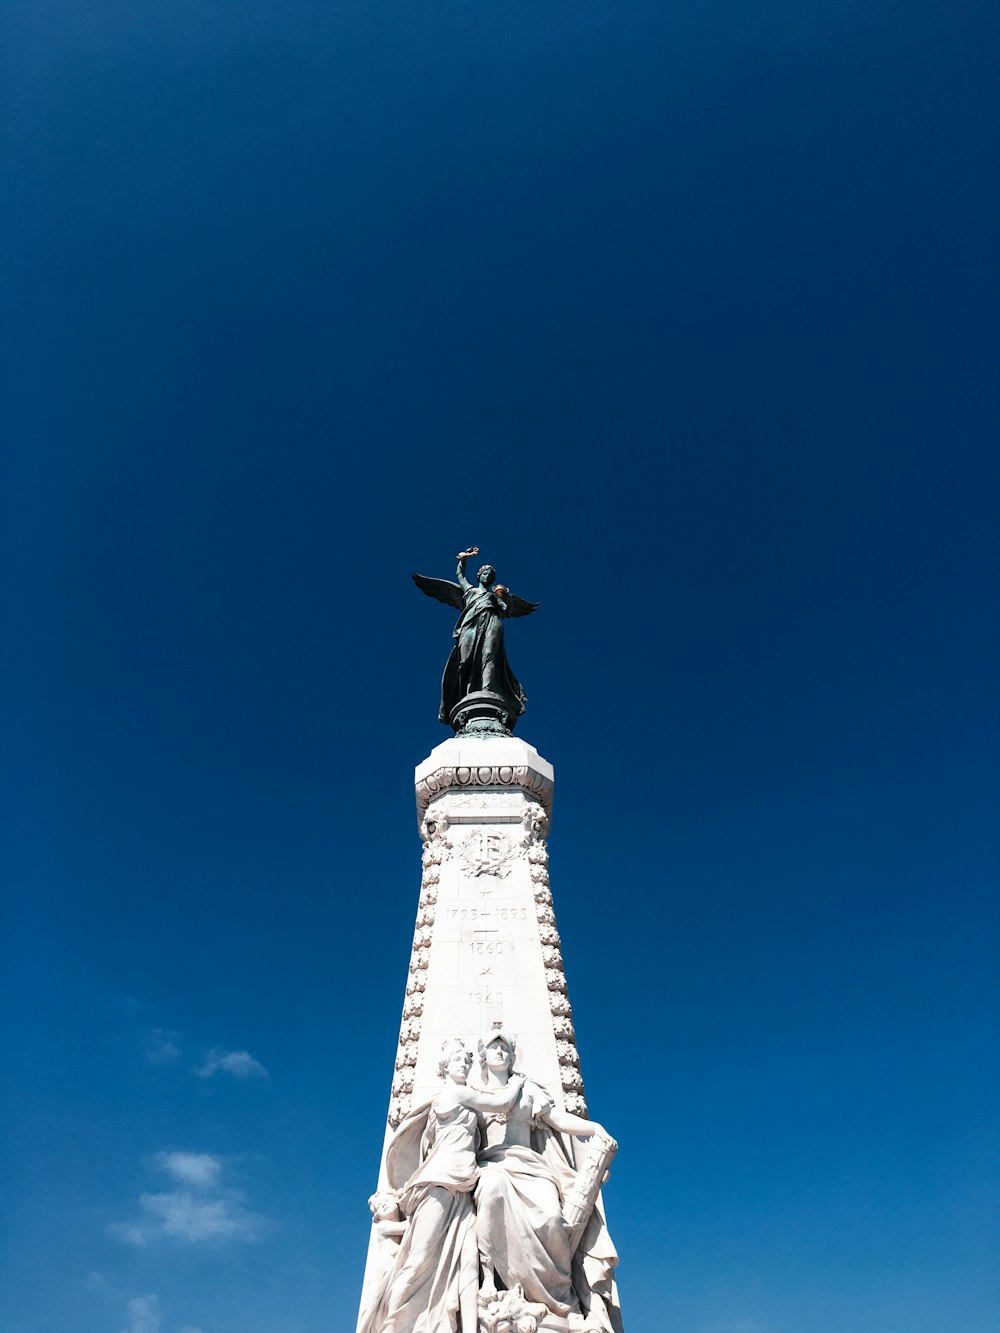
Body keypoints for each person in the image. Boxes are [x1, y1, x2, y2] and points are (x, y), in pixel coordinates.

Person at [359, 1040, 525, 1333]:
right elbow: (502, 1104)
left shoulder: (460, 1097)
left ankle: (469, 1327)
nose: (464, 1064)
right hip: (440, 1182)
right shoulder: (455, 1093)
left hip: (463, 1186)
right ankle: (394, 1324)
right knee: (418, 1259)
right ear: (445, 1066)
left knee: (467, 1260)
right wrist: (517, 1083)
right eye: (458, 1060)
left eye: (466, 1061)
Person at [473, 1032, 623, 1333]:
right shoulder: (474, 1093)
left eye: (505, 1048)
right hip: (492, 1165)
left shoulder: (528, 1089)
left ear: (513, 1057)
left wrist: (594, 1128)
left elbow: (559, 1120)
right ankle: (489, 1279)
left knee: (551, 1217)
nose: (500, 1052)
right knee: (490, 1189)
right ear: (483, 1057)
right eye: (493, 1048)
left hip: (529, 1167)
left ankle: (557, 1298)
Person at [438, 548, 527, 724]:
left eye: (490, 574)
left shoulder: (495, 597)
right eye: (485, 573)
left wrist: (503, 595)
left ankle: (487, 689)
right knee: (465, 661)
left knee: (489, 655)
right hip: (471, 624)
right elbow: (460, 576)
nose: (487, 576)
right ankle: (465, 693)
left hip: (492, 622)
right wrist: (464, 560)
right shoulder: (470, 591)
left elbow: (507, 611)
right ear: (479, 576)